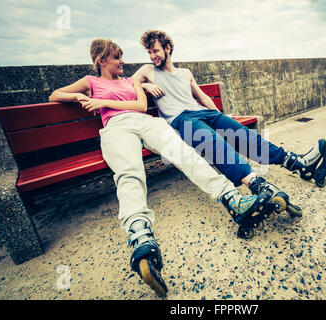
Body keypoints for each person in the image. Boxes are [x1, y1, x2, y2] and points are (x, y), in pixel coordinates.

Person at [48, 39, 277, 297]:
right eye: (116, 57)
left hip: (147, 123)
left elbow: (140, 106)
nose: (122, 61)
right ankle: (140, 236)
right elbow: (54, 95)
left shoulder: (130, 82)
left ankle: (232, 198)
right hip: (116, 128)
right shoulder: (90, 82)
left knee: (184, 154)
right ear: (101, 60)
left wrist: (102, 103)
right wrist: (79, 95)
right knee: (129, 173)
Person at [133, 30, 326, 217]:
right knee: (213, 142)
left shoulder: (185, 73)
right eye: (150, 52)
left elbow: (203, 97)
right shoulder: (148, 71)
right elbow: (126, 84)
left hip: (204, 113)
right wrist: (145, 85)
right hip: (182, 120)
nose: (153, 56)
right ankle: (257, 184)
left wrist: (221, 117)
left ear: (168, 48)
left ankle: (297, 163)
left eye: (156, 51)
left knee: (244, 135)